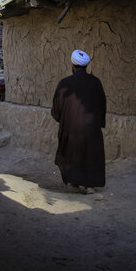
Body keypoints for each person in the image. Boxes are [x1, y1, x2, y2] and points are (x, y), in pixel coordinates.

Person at [51, 49, 107, 194]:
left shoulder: (64, 84)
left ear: (73, 65)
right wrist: (98, 123)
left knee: (71, 151)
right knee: (90, 153)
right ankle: (89, 186)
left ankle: (73, 182)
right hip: (91, 127)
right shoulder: (96, 83)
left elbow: (56, 108)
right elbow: (102, 105)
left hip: (70, 127)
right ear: (85, 66)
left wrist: (61, 119)